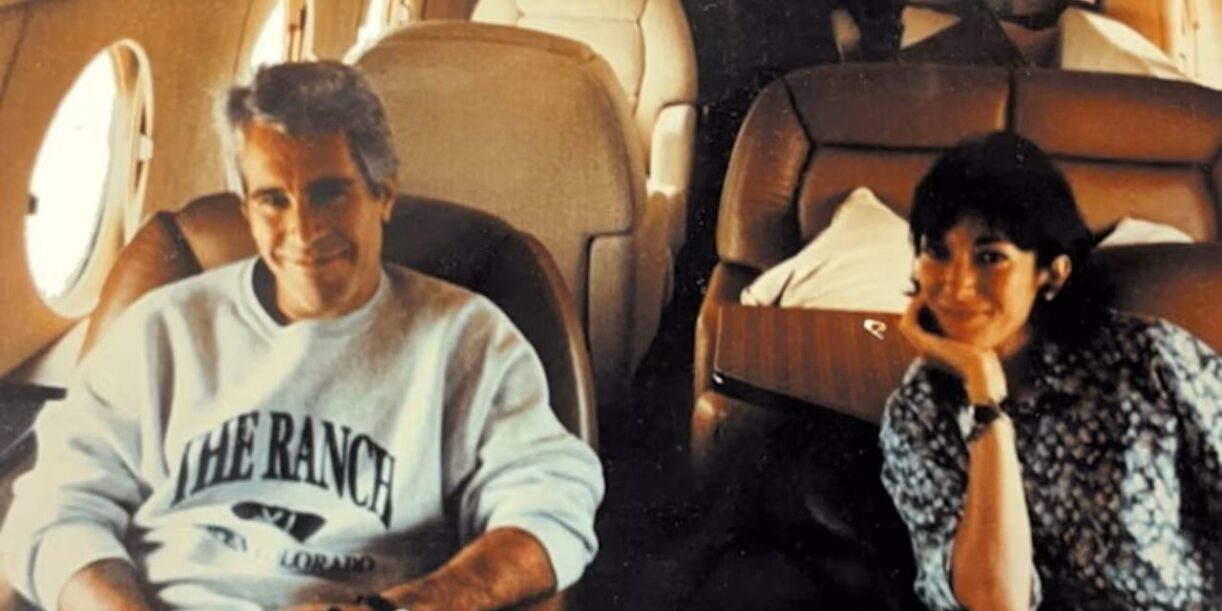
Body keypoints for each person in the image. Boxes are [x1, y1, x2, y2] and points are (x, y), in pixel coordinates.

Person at [0, 61, 604, 610]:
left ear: (383, 193)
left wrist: (405, 608)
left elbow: (551, 508)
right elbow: (53, 508)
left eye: (329, 193)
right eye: (272, 200)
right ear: (246, 209)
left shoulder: (467, 340)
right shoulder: (162, 330)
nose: (303, 229)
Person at [880, 132, 1222, 609]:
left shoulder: (1149, 360)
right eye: (937, 251)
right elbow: (995, 603)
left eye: (990, 257)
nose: (956, 286)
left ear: (1052, 273)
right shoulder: (918, 412)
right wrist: (985, 398)